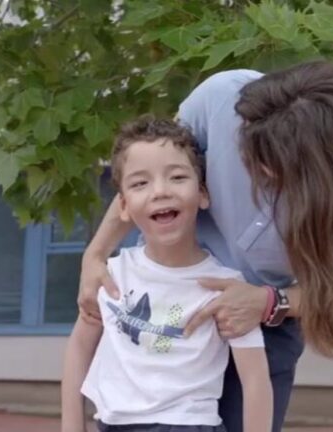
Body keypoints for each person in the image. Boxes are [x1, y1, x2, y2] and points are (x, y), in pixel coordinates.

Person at [70, 61, 333, 432]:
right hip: (166, 302)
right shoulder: (221, 99)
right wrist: (95, 255)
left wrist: (270, 302)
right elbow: (149, 171)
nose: (261, 171)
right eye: (252, 152)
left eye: (278, 165)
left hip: (262, 324)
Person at [61, 117, 273, 432]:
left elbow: (255, 380)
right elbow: (79, 348)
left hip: (187, 425)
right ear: (123, 205)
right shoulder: (112, 274)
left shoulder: (226, 288)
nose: (160, 191)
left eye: (176, 177)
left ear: (202, 194)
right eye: (140, 183)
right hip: (111, 423)